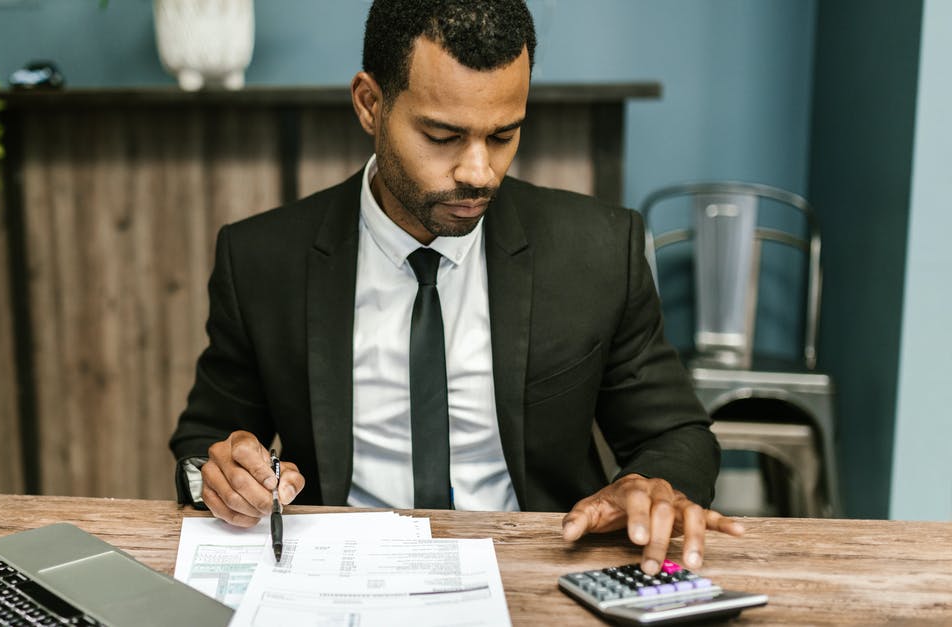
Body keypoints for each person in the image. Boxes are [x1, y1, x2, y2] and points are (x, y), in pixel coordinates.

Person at [170, 0, 743, 576]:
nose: (478, 171)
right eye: (442, 135)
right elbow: (203, 440)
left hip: (541, 568)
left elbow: (676, 432)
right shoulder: (263, 259)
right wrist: (220, 475)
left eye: (503, 135)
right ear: (370, 104)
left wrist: (653, 485)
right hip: (338, 574)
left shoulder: (597, 251)